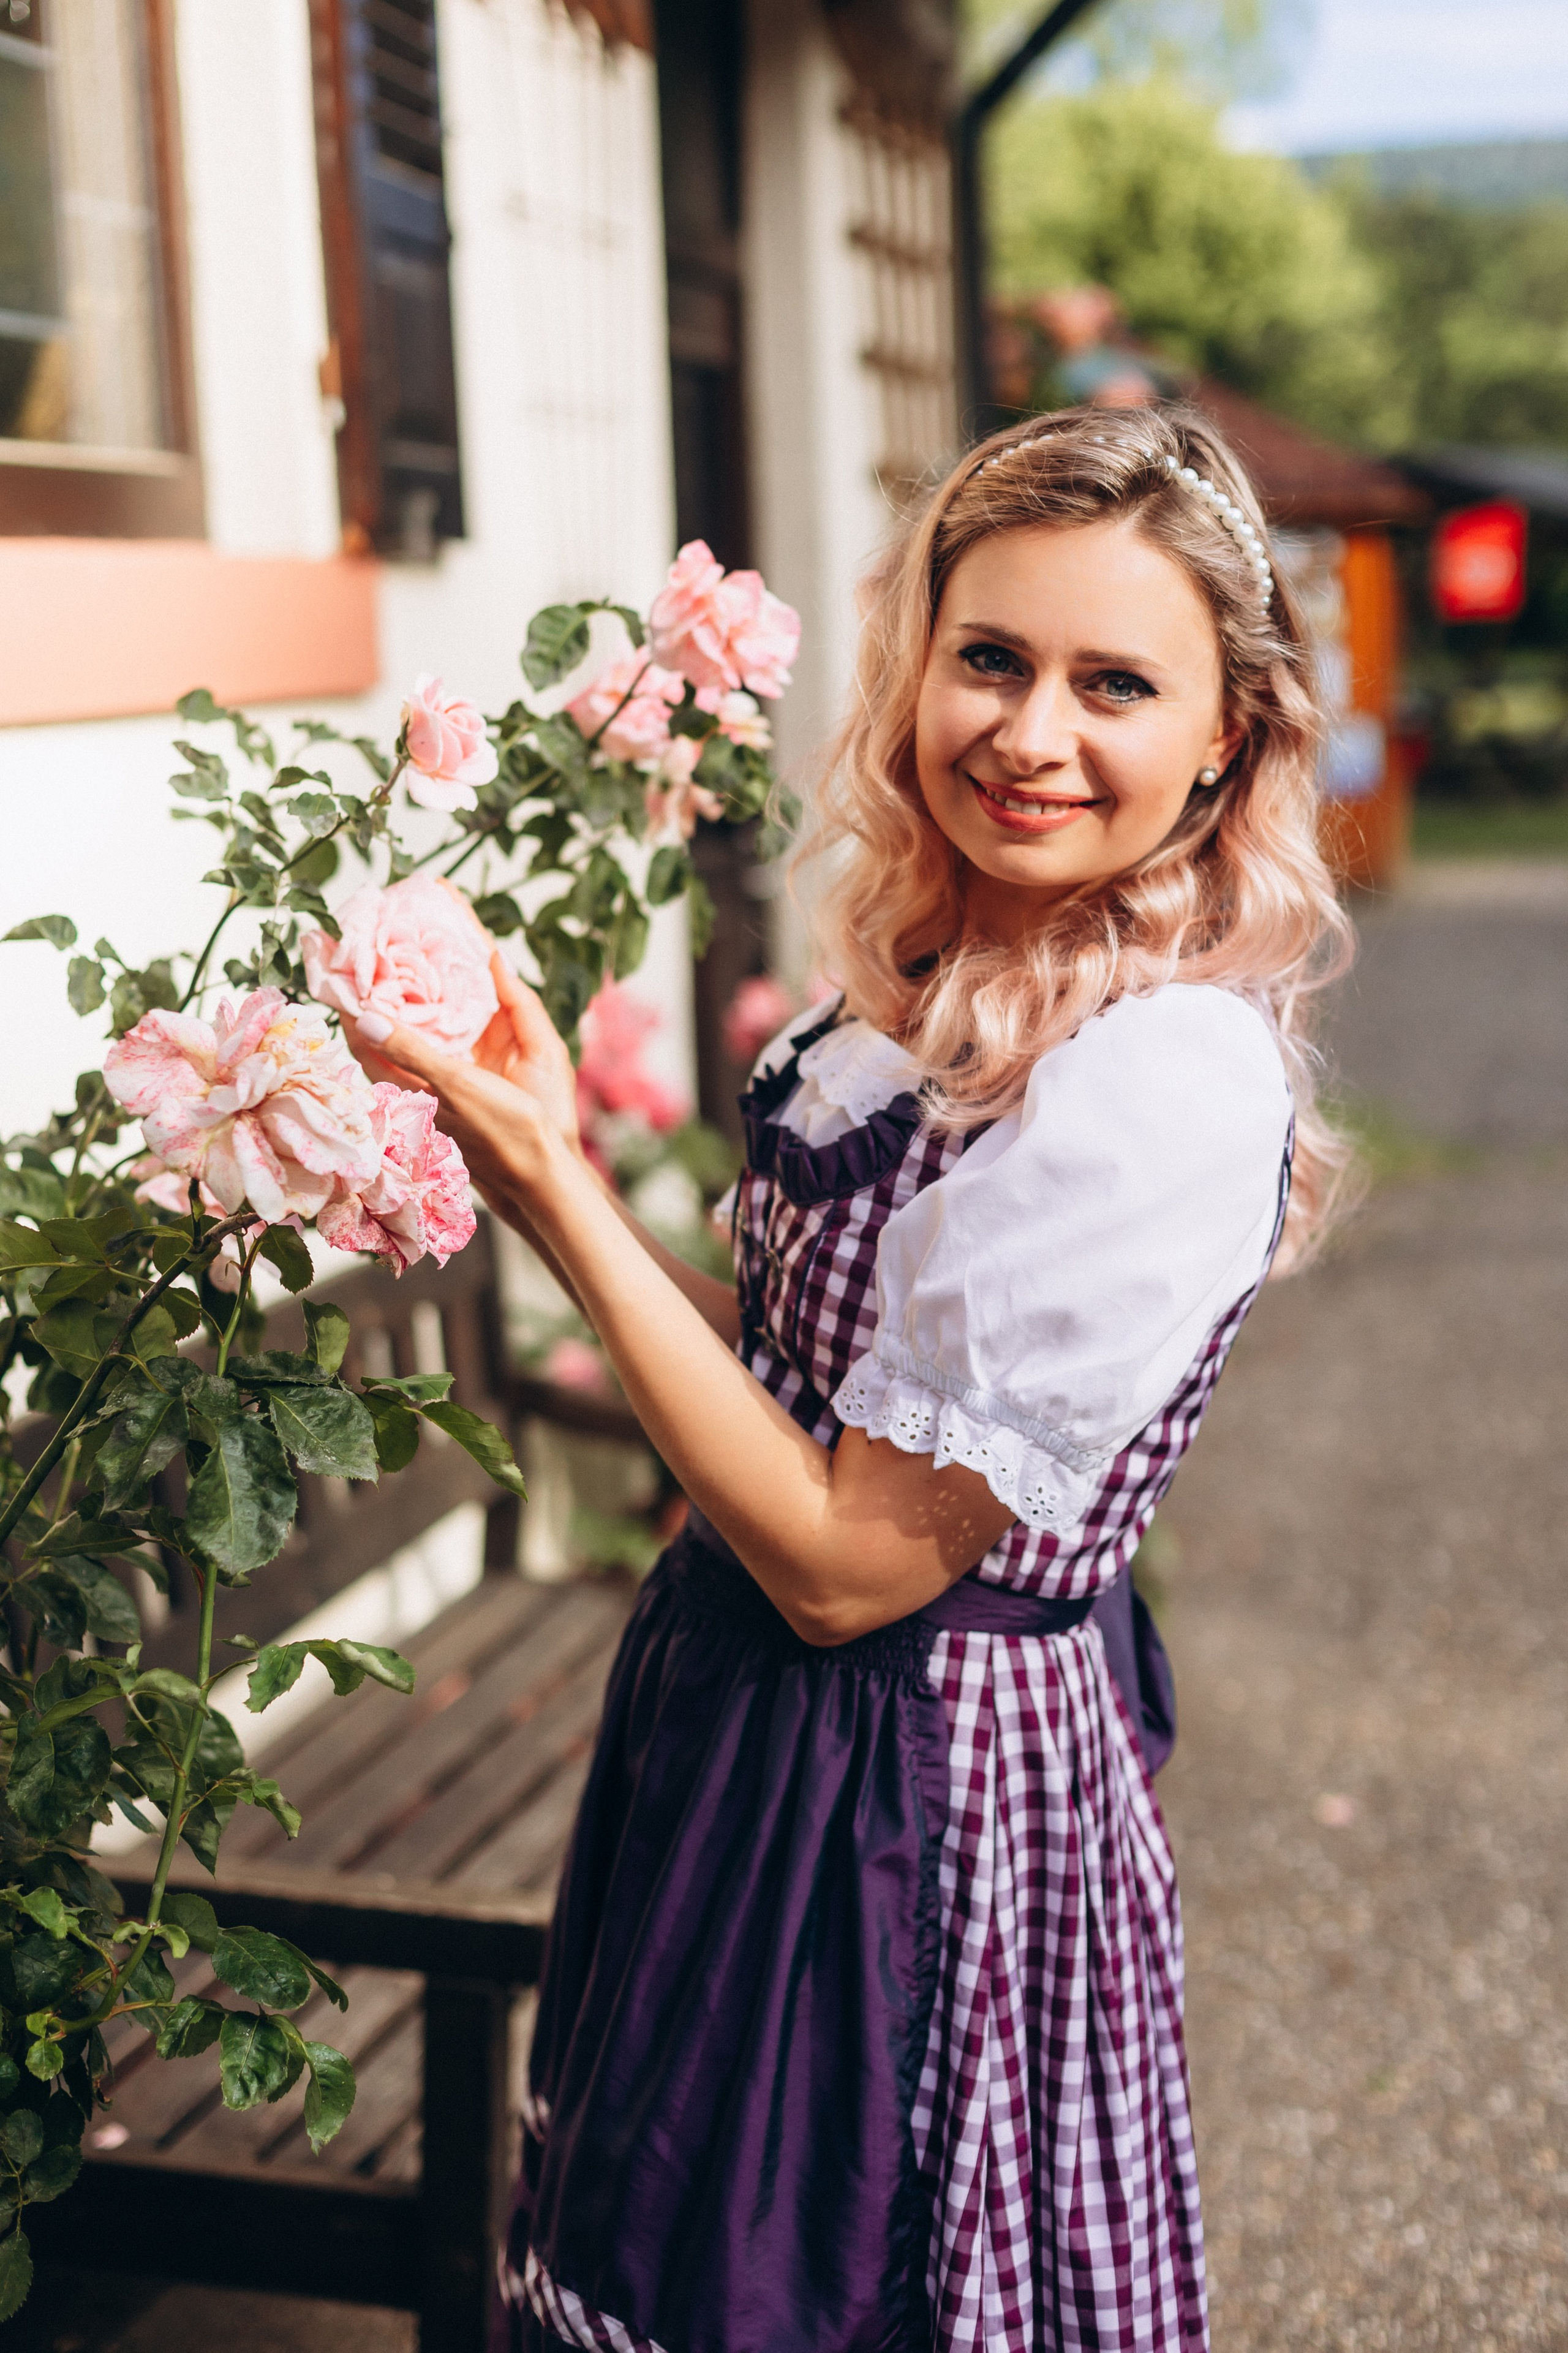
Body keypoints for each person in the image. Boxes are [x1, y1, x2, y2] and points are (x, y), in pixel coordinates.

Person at [349, 403, 1351, 2353]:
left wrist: (553, 1172)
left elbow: (843, 1553)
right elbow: (826, 1380)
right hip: (749, 1735)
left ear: (1226, 731)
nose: (1030, 733)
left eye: (1114, 683)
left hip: (918, 1784)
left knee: (843, 2274)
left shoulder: (1156, 1077)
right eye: (991, 657)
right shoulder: (909, 991)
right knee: (677, 2252)